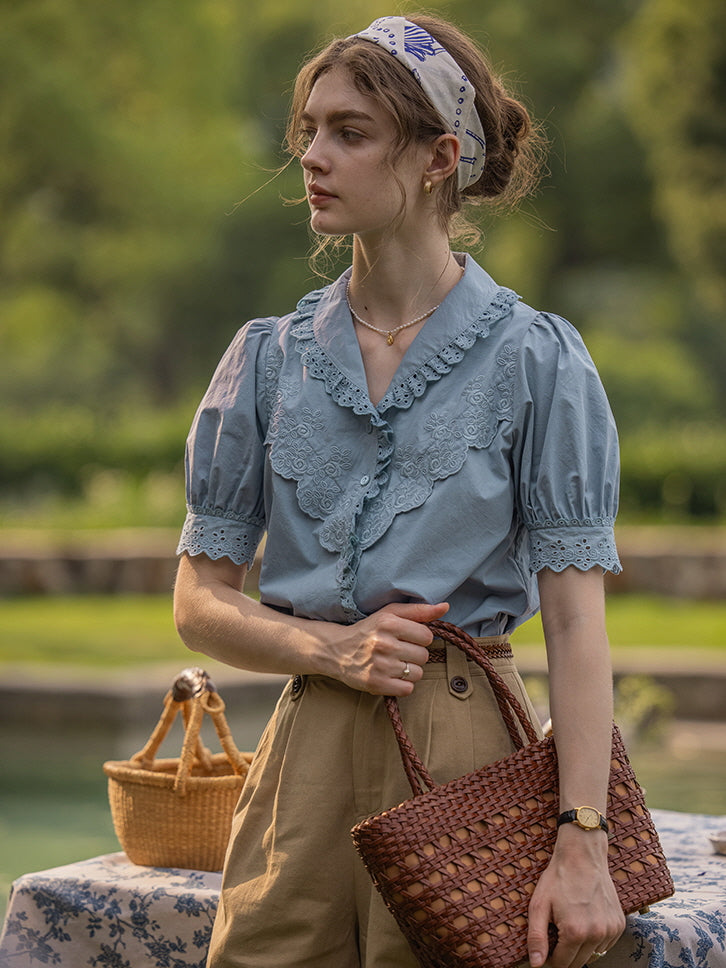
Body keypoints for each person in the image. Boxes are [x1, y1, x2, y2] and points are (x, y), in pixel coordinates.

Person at [173, 13, 626, 968]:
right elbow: (199, 604)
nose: (314, 156)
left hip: (465, 754)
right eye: (310, 129)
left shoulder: (536, 359)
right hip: (303, 764)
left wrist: (583, 837)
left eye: (351, 132)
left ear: (437, 156)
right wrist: (330, 647)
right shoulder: (266, 359)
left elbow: (578, 626)